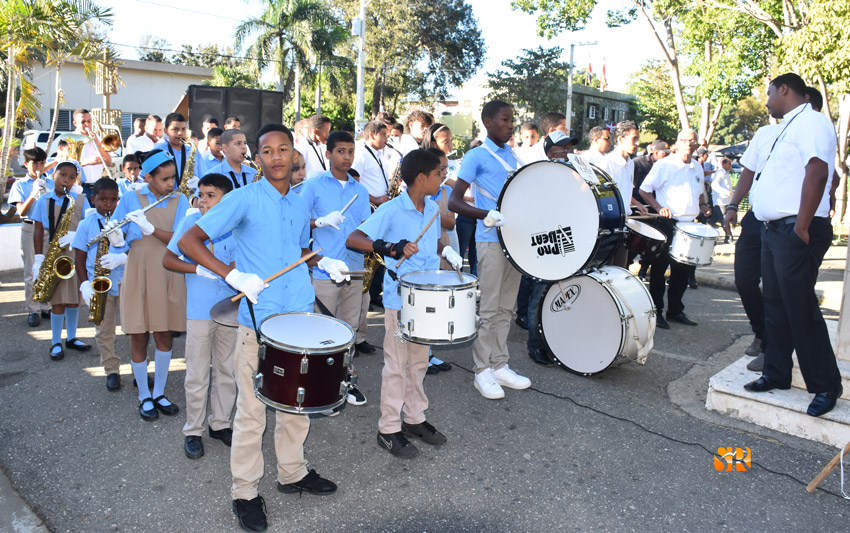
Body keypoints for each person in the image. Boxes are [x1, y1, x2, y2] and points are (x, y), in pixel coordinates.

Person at [178, 123, 340, 532]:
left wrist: (321, 261)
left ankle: (292, 472)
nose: (277, 157)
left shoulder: (300, 202)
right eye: (267, 151)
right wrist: (231, 277)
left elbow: (296, 249)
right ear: (258, 157)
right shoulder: (242, 199)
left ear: (292, 153)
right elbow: (191, 240)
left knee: (296, 403)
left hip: (300, 315)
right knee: (252, 412)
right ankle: (245, 492)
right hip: (260, 319)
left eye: (283, 149)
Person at [347, 149, 459, 458]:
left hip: (426, 298)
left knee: (419, 362)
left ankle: (414, 418)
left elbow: (435, 243)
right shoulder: (393, 210)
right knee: (396, 365)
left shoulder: (434, 210)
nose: (443, 178)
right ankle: (388, 428)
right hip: (400, 300)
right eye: (440, 173)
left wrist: (447, 254)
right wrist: (387, 246)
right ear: (422, 177)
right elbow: (354, 238)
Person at [742, 73, 842, 418]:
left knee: (800, 308)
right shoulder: (787, 126)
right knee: (775, 304)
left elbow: (817, 172)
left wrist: (800, 226)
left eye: (769, 93)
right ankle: (777, 371)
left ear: (785, 89)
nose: (767, 99)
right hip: (774, 230)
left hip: (794, 230)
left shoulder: (812, 121)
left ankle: (826, 384)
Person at [448, 100, 532, 400]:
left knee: (507, 308)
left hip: (515, 242)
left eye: (512, 120)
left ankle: (500, 364)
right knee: (490, 307)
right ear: (487, 122)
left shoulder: (513, 155)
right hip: (490, 241)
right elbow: (454, 202)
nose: (510, 125)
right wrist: (484, 214)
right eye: (504, 120)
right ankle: (481, 369)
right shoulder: (476, 156)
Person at [109, 149, 190, 420]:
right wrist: (117, 238)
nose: (171, 183)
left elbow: (180, 241)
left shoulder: (180, 200)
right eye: (165, 178)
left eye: (173, 177)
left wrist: (151, 229)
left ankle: (159, 392)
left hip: (167, 268)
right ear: (148, 177)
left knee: (164, 334)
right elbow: (116, 234)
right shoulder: (132, 197)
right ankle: (144, 394)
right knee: (139, 334)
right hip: (139, 269)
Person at [163, 173, 238, 459]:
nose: (202, 201)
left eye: (210, 195)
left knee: (226, 369)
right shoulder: (190, 222)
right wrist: (197, 268)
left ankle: (220, 423)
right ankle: (193, 429)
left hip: (230, 308)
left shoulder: (235, 225)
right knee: (196, 372)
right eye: (201, 195)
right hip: (199, 311)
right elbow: (168, 259)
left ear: (226, 199)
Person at [300, 130, 371, 403]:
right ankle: (318, 386)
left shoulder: (360, 191)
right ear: (328, 154)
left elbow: (366, 229)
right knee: (323, 328)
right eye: (340, 151)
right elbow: (295, 224)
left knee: (348, 327)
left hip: (353, 268)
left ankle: (344, 380)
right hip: (324, 267)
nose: (346, 157)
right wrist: (319, 222)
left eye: (351, 152)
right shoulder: (313, 186)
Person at [639, 129, 712, 330]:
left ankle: (675, 310)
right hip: (667, 223)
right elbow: (644, 190)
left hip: (689, 225)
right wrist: (658, 207)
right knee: (660, 269)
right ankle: (656, 311)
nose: (689, 143)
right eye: (684, 140)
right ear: (677, 144)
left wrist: (704, 205)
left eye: (692, 140)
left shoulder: (697, 166)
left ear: (697, 145)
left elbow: (699, 192)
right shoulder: (664, 165)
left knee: (683, 270)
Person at [31, 161, 91, 360]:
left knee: (73, 300)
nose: (66, 180)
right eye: (62, 175)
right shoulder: (43, 200)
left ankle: (71, 337)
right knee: (57, 301)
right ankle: (56, 340)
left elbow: (89, 225)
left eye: (71, 177)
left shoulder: (80, 200)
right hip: (53, 254)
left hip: (74, 254)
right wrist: (38, 258)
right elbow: (38, 230)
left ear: (75, 181)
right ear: (53, 175)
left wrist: (77, 235)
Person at [72, 178, 124, 390]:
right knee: (103, 330)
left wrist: (121, 256)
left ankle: (140, 367)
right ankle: (111, 368)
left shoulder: (123, 221)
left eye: (113, 200)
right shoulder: (86, 225)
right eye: (103, 199)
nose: (108, 205)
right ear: (93, 200)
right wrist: (84, 284)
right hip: (99, 284)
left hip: (124, 280)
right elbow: (79, 257)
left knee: (135, 327)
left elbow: (132, 250)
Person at [9, 147, 53, 326]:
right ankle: (33, 308)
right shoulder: (20, 185)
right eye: (35, 163)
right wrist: (34, 194)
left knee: (47, 269)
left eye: (42, 163)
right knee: (31, 269)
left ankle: (46, 305)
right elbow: (20, 211)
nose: (39, 167)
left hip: (48, 229)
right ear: (27, 164)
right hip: (30, 227)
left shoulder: (50, 183)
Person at [632, 140, 671, 279]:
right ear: (655, 152)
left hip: (654, 209)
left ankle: (644, 269)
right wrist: (635, 202)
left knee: (652, 243)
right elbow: (630, 185)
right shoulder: (637, 162)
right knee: (633, 243)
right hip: (636, 208)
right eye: (663, 153)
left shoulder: (666, 166)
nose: (666, 156)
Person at [152, 113, 204, 190]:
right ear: (166, 131)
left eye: (183, 129)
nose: (180, 133)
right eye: (175, 129)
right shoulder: (157, 151)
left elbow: (203, 176)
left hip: (188, 199)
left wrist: (199, 182)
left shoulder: (193, 151)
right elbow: (144, 177)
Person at [73, 109, 113, 202]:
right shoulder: (71, 138)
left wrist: (98, 143)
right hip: (80, 187)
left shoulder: (96, 138)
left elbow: (109, 162)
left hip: (97, 186)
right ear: (75, 123)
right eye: (83, 122)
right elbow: (68, 164)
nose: (87, 125)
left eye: (89, 121)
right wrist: (88, 162)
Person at [353, 120, 391, 206]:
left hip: (381, 205)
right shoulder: (361, 154)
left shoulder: (380, 154)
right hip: (370, 206)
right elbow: (353, 184)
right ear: (372, 135)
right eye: (383, 134)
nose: (387, 138)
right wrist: (375, 199)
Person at [297, 114, 332, 180]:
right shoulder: (302, 148)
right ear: (315, 131)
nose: (328, 134)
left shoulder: (324, 147)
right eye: (326, 131)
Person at [709, 157, 733, 243]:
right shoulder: (720, 173)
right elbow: (714, 185)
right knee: (724, 219)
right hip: (720, 201)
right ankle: (728, 236)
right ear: (723, 164)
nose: (730, 166)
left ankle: (706, 229)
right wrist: (726, 192)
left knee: (714, 219)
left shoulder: (726, 173)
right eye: (729, 164)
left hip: (726, 200)